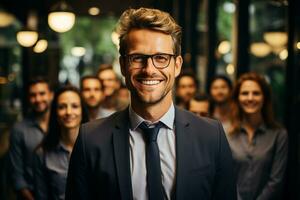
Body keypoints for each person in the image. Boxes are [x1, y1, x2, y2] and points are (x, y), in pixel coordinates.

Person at [66, 7, 236, 200]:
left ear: (177, 65)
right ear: (123, 65)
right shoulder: (90, 140)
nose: (149, 70)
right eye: (138, 58)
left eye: (161, 58)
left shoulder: (211, 136)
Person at [227, 72, 288, 200]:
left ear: (264, 98)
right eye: (244, 93)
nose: (250, 98)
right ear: (237, 98)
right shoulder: (226, 133)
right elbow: (225, 176)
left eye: (256, 93)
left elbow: (276, 181)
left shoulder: (279, 135)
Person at [33, 85, 89, 200]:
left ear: (82, 110)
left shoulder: (97, 149)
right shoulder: (42, 154)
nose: (68, 112)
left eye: (74, 106)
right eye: (62, 107)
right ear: (55, 113)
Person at [9, 77, 53, 200]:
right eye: (33, 95)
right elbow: (17, 175)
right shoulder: (19, 129)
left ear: (51, 95)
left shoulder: (60, 125)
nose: (38, 99)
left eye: (42, 93)